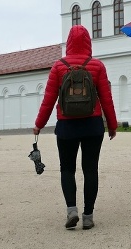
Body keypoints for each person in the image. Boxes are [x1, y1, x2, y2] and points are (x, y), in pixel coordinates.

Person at [34, 25, 117, 231]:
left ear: (69, 42)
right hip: (92, 125)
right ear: (89, 42)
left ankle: (71, 210)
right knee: (90, 170)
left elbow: (49, 99)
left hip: (66, 126)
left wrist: (39, 124)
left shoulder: (58, 66)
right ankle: (88, 216)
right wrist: (112, 125)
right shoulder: (97, 66)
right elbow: (107, 99)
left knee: (67, 169)